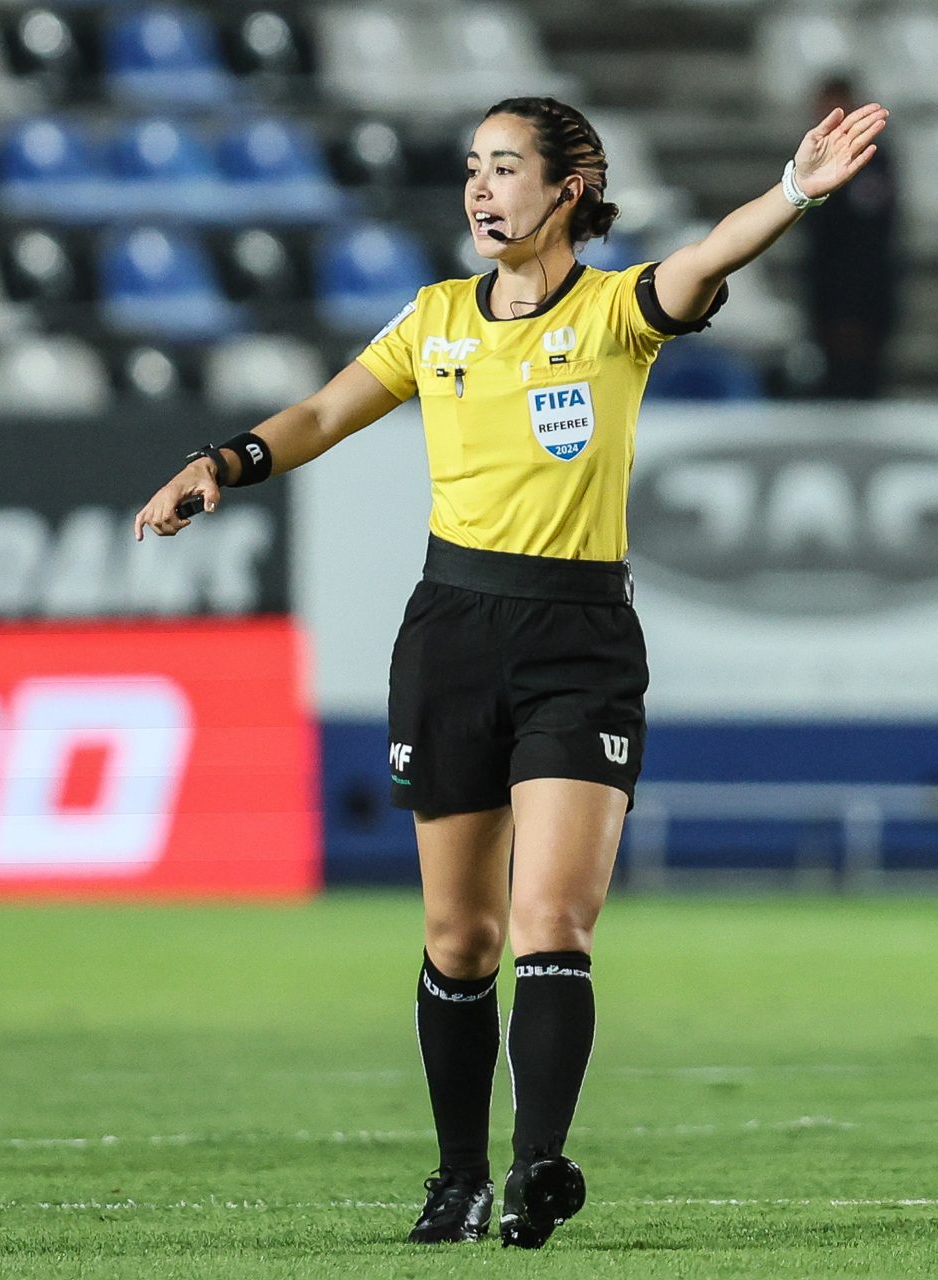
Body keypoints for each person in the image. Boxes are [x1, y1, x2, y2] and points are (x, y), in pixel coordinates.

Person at [135, 94, 885, 1248]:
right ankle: (456, 1174)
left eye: (504, 168)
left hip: (579, 643)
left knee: (554, 917)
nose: (482, 190)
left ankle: (539, 1164)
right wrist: (222, 462)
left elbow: (699, 263)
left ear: (570, 187)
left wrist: (792, 193)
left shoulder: (615, 312)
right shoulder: (434, 317)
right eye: (472, 170)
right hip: (453, 635)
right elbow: (330, 409)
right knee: (460, 936)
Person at [800, 74, 901, 399]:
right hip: (824, 290)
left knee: (862, 378)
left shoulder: (872, 159)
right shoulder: (806, 160)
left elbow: (873, 233)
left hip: (864, 292)